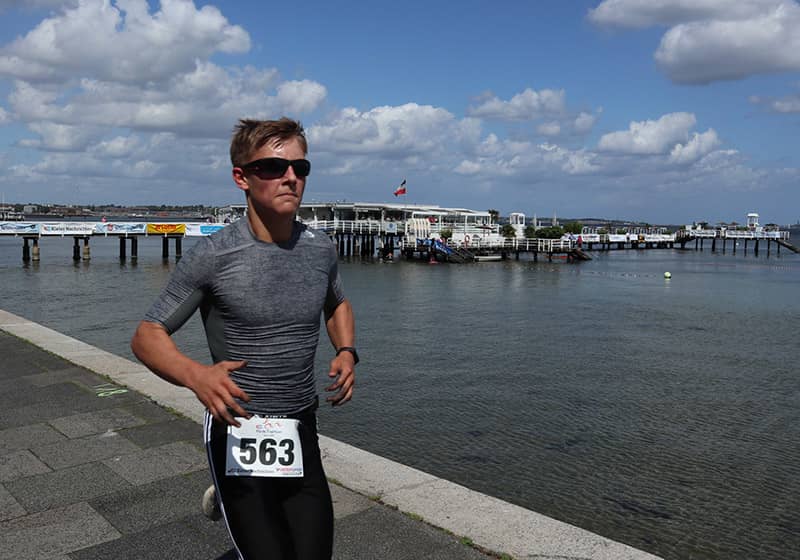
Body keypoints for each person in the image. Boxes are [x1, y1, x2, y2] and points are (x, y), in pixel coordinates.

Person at [131, 117, 357, 560]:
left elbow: (338, 303)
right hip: (238, 428)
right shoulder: (214, 255)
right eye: (272, 167)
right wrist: (196, 376)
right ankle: (231, 495)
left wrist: (346, 351)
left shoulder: (320, 248)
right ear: (242, 178)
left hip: (300, 426)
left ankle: (233, 508)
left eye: (300, 167)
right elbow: (147, 335)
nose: (290, 177)